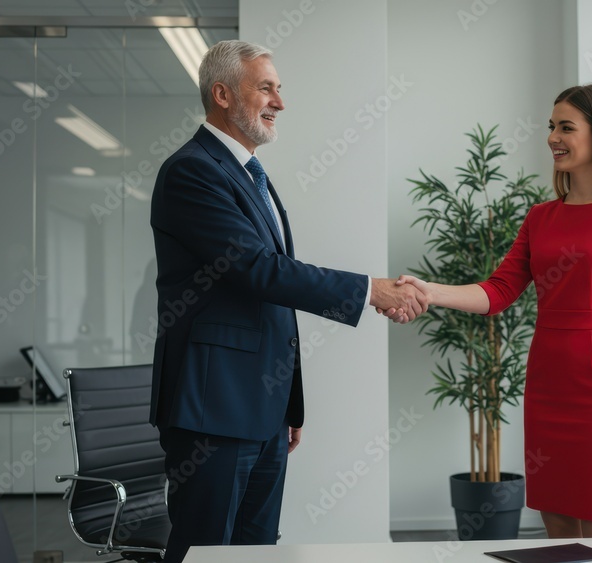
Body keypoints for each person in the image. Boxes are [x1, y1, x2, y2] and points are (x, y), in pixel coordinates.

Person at [150, 40, 427, 562]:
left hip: (263, 410)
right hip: (214, 411)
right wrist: (372, 289)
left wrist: (285, 402)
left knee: (258, 553)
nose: (280, 101)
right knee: (204, 552)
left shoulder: (251, 174)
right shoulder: (192, 171)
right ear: (222, 94)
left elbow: (265, 298)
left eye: (280, 89)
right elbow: (260, 271)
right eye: (267, 88)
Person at [394, 84, 592, 551]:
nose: (552, 137)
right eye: (551, 127)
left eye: (565, 127)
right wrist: (429, 290)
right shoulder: (541, 218)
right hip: (547, 387)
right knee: (558, 541)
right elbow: (497, 292)